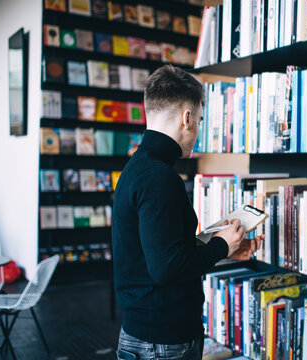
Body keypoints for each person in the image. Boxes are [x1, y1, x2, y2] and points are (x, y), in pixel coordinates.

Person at [112, 65, 263, 360]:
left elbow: (159, 251)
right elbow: (167, 268)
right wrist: (220, 245)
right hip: (163, 341)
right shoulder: (159, 177)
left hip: (146, 334)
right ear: (187, 117)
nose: (198, 130)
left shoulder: (137, 168)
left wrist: (222, 248)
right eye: (200, 120)